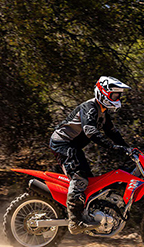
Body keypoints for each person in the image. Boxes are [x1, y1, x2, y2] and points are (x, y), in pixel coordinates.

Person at [49, 76, 134, 234]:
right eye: (115, 94)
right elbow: (90, 131)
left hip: (73, 146)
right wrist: (111, 146)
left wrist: (129, 149)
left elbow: (112, 133)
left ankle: (87, 214)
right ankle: (74, 222)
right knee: (79, 178)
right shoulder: (91, 107)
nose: (118, 98)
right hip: (62, 143)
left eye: (119, 95)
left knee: (90, 182)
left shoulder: (103, 112)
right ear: (103, 93)